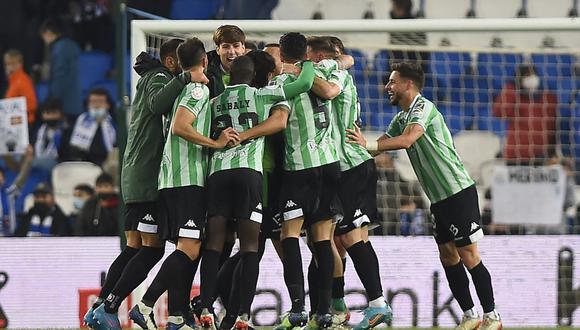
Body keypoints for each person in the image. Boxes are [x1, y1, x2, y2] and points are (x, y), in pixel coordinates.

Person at [347, 62, 502, 330]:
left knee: (468, 255)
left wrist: (369, 144)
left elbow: (407, 140)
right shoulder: (402, 116)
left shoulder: (422, 108)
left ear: (408, 84)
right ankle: (470, 315)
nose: (387, 87)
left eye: (392, 82)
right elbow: (381, 145)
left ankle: (492, 316)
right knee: (447, 256)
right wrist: (354, 149)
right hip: (438, 199)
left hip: (457, 191)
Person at [88, 38, 209, 329]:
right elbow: (157, 104)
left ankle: (99, 308)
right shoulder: (158, 77)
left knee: (134, 247)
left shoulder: (155, 77)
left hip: (137, 174)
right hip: (146, 177)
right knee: (153, 249)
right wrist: (184, 77)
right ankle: (113, 307)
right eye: (180, 64)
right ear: (171, 63)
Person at [128, 37, 238, 330]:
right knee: (189, 249)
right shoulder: (197, 90)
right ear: (204, 62)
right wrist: (214, 143)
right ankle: (145, 305)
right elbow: (180, 127)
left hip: (173, 178)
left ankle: (178, 315)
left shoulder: (180, 88)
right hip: (185, 178)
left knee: (187, 248)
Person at [306, 36, 392, 330]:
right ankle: (338, 308)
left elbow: (331, 72)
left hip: (351, 165)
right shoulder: (338, 67)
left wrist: (299, 69)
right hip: (347, 164)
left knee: (350, 237)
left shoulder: (332, 70)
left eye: (310, 57)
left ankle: (378, 305)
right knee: (338, 241)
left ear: (318, 56)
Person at [271, 32, 342, 330]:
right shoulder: (325, 70)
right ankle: (324, 311)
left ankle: (298, 306)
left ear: (283, 56)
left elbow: (278, 123)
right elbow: (333, 83)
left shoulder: (281, 84)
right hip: (330, 163)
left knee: (290, 235)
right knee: (323, 238)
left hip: (299, 166)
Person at [492, 64, 557, 165]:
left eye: (533, 75)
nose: (531, 78)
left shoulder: (548, 98)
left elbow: (553, 127)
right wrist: (510, 89)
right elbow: (499, 113)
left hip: (540, 156)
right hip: (515, 155)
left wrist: (552, 152)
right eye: (527, 75)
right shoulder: (514, 97)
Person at [39, 18, 82, 123]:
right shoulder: (70, 46)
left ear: (48, 33)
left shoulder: (60, 48)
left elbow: (60, 75)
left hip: (64, 104)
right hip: (74, 100)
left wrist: (52, 98)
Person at [66, 88, 116, 166]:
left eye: (100, 102)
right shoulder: (81, 121)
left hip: (107, 163)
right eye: (93, 102)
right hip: (84, 163)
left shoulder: (114, 123)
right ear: (88, 104)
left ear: (108, 105)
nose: (96, 105)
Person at [206, 25, 246, 98]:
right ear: (218, 50)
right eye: (226, 47)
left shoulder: (255, 71)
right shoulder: (205, 74)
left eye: (236, 46)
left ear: (243, 48)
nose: (231, 52)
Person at [31, 99, 68, 174]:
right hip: (40, 160)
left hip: (60, 165)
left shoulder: (67, 131)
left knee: (32, 163)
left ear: (61, 114)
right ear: (42, 115)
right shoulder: (39, 130)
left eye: (54, 113)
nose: (50, 116)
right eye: (47, 113)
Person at [4, 49, 37, 125]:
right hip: (16, 121)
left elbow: (32, 104)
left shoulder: (22, 81)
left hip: (23, 123)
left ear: (20, 63)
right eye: (8, 64)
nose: (10, 67)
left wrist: (13, 109)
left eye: (13, 63)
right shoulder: (13, 80)